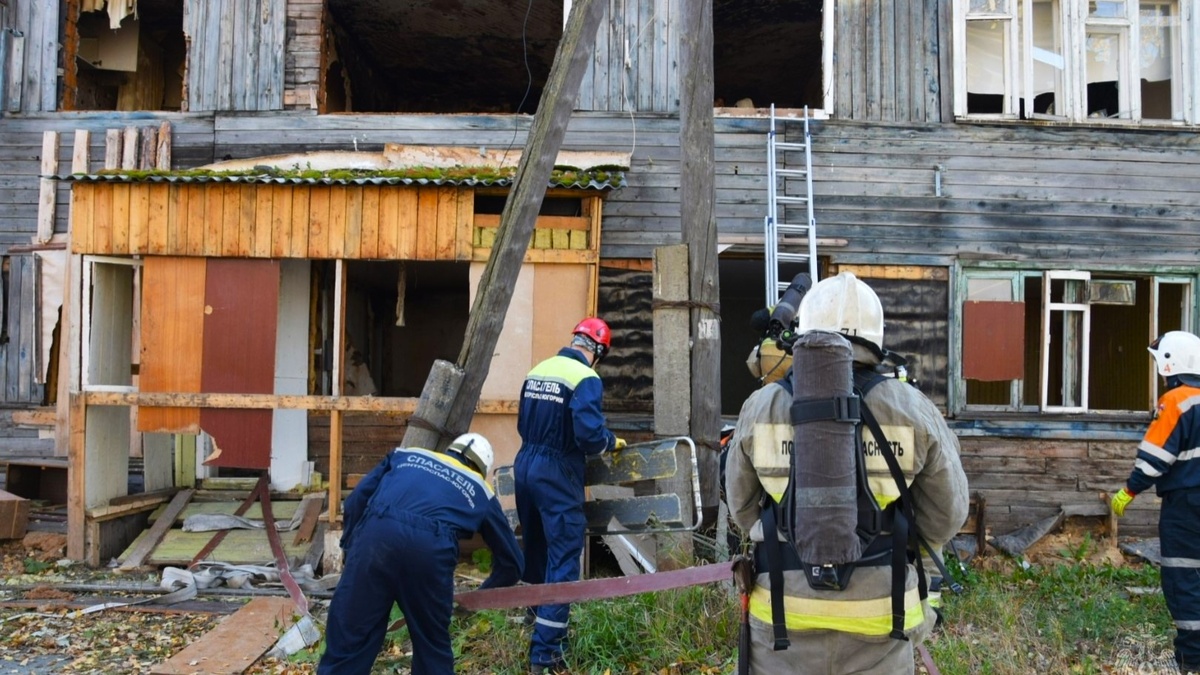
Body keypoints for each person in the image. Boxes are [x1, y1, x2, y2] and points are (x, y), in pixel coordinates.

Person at [725, 271, 970, 674]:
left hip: (783, 624)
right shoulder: (913, 408)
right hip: (882, 622)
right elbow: (947, 515)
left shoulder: (762, 405)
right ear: (877, 338)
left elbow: (743, 507)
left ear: (805, 331)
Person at [319, 433, 523, 675]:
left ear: (450, 449)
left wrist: (353, 547)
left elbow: (355, 500)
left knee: (349, 636)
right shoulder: (480, 489)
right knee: (431, 647)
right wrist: (480, 598)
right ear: (482, 469)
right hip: (429, 551)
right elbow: (512, 562)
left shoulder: (405, 455)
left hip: (376, 538)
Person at [514, 317, 625, 674]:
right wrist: (609, 441)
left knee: (536, 550)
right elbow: (589, 435)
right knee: (563, 559)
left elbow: (521, 422)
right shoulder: (586, 378)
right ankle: (545, 654)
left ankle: (533, 622)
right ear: (598, 351)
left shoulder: (539, 369)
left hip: (525, 464)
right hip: (556, 471)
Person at [1111, 330, 1200, 674]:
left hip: (1187, 506)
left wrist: (1129, 491)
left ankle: (1191, 660)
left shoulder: (1177, 401)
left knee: (1184, 577)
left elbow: (1154, 457)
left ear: (1169, 363)